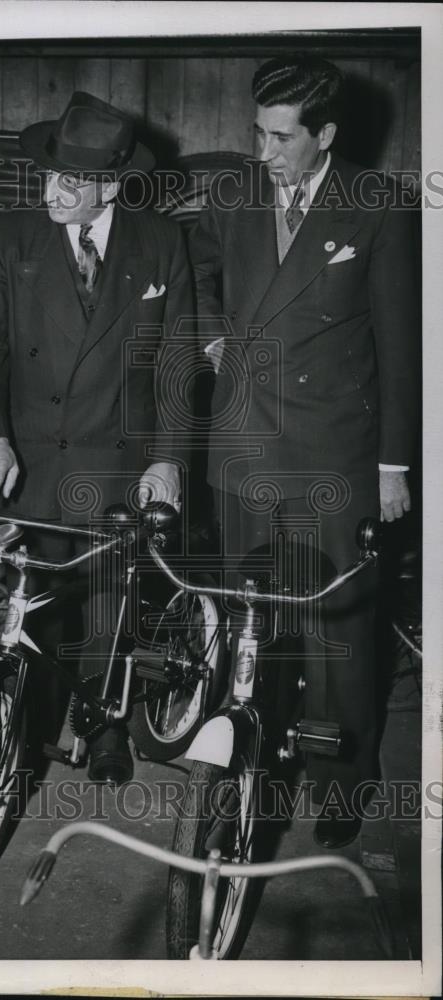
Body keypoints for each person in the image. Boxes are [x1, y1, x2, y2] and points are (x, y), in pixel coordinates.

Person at [190, 57, 419, 848]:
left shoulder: (377, 205)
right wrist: (213, 337)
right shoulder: (235, 196)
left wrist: (392, 465)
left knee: (337, 632)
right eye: (257, 132)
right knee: (250, 625)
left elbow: (400, 344)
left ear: (324, 134)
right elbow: (193, 277)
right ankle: (245, 767)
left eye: (282, 137)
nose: (265, 152)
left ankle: (339, 777)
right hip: (243, 449)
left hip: (335, 455)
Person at [0, 91, 194, 783]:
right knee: (34, 602)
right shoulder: (10, 237)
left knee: (110, 604)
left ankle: (106, 720)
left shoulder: (159, 242)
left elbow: (178, 358)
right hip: (31, 456)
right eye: (49, 173)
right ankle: (18, 734)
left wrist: (170, 461)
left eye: (73, 180)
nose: (52, 190)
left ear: (112, 184)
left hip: (118, 459)